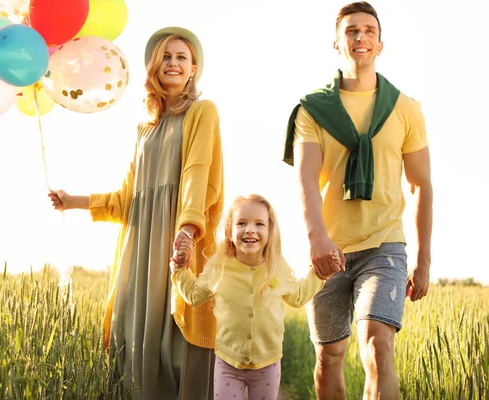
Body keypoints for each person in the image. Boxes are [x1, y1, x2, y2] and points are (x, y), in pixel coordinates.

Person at [48, 26, 224, 400]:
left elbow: (198, 173)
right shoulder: (144, 127)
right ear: (153, 66)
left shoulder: (201, 112)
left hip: (177, 237)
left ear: (194, 69)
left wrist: (188, 230)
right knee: (130, 324)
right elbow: (128, 199)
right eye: (165, 56)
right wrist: (72, 200)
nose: (172, 63)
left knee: (178, 329)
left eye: (181, 57)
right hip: (139, 242)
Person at [282, 2, 433, 399]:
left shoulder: (406, 109)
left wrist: (424, 258)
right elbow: (305, 179)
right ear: (336, 44)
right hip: (328, 248)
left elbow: (420, 186)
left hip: (385, 245)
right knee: (330, 354)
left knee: (377, 344)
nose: (360, 37)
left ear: (380, 44)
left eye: (368, 30)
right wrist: (317, 239)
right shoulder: (312, 109)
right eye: (351, 31)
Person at [170, 194, 340, 400]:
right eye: (241, 223)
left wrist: (320, 274)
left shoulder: (277, 267)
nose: (250, 229)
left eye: (259, 224)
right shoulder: (219, 266)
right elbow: (194, 295)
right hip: (228, 362)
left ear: (270, 232)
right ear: (230, 232)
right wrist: (179, 269)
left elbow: (298, 297)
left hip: (267, 364)